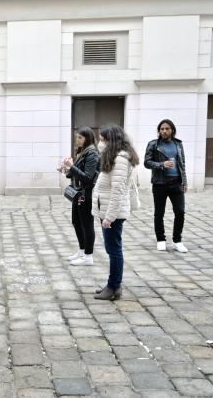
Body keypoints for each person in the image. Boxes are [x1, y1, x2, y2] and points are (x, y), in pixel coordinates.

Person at [92, 125, 139, 301]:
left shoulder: (120, 159)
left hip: (113, 213)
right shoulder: (115, 157)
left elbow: (117, 190)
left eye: (102, 139)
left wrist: (109, 217)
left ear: (110, 140)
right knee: (112, 248)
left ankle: (114, 287)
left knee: (114, 249)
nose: (100, 143)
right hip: (107, 210)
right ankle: (112, 284)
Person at [144, 119, 188, 253]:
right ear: (159, 131)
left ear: (172, 130)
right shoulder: (153, 144)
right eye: (162, 129)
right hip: (160, 184)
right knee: (159, 213)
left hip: (176, 183)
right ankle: (161, 240)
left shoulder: (178, 144)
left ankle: (177, 240)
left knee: (180, 212)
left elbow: (182, 164)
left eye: (167, 128)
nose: (164, 131)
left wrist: (184, 181)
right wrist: (162, 164)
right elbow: (147, 162)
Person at [61, 127, 100, 266]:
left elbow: (87, 178)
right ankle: (82, 251)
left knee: (87, 224)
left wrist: (72, 166)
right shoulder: (83, 152)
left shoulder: (92, 154)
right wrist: (67, 169)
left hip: (87, 193)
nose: (77, 140)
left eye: (80, 138)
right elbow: (76, 173)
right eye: (77, 137)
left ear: (88, 138)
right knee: (77, 222)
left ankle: (88, 256)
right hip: (78, 192)